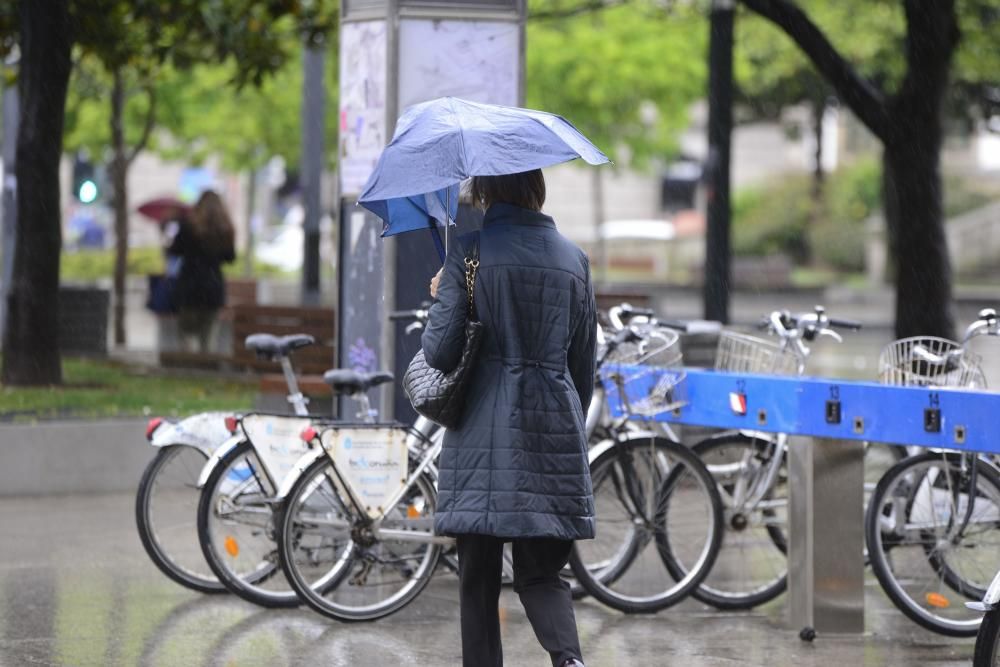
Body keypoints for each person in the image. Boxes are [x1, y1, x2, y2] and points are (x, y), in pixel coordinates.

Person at [421, 169, 596, 667]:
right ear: (536, 190)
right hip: (554, 430)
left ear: (485, 193)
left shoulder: (470, 253)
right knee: (543, 575)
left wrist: (443, 298)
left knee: (477, 581)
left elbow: (439, 352)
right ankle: (569, 660)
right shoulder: (574, 260)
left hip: (481, 435)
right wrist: (566, 427)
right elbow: (582, 367)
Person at [168, 190, 236, 352]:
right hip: (213, 285)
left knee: (185, 333)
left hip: (189, 285)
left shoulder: (188, 226)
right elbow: (230, 257)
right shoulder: (225, 229)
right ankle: (206, 366)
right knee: (208, 336)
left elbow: (174, 251)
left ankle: (186, 369)